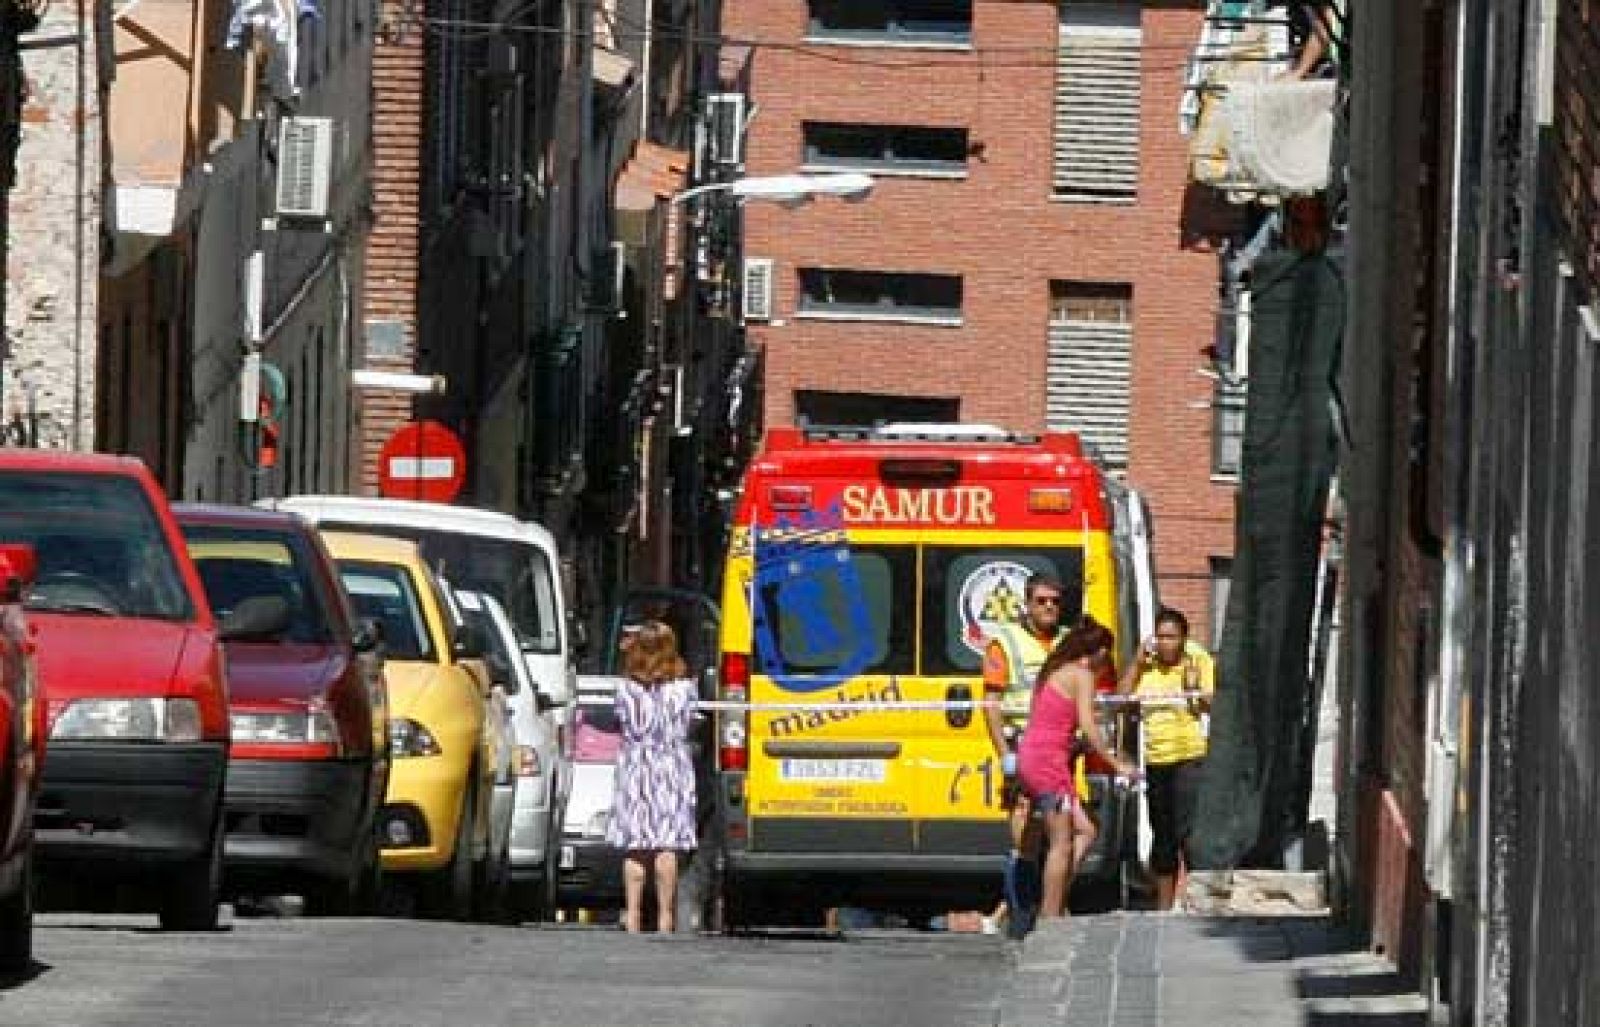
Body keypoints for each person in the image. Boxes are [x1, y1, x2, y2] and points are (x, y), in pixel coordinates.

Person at [1017, 615, 1138, 920]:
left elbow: (1055, 724)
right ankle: (1049, 916)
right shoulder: (1081, 675)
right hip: (1048, 764)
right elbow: (1089, 725)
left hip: (1037, 758)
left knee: (1086, 829)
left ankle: (1055, 898)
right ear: (1098, 652)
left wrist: (1077, 745)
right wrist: (1115, 763)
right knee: (1061, 844)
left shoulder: (1054, 671)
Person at [980, 573, 1070, 936]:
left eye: (1055, 601)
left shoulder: (1066, 642)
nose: (1049, 607)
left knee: (1065, 832)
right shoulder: (1004, 643)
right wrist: (1005, 755)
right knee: (1025, 834)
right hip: (1022, 744)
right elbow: (991, 702)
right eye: (1041, 601)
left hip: (1058, 750)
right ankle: (1021, 918)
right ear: (1027, 604)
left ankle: (1047, 911)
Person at [1118, 606, 1216, 911]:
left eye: (1171, 637)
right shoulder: (1147, 666)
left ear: (1184, 639)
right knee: (1163, 832)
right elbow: (1121, 699)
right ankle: (1163, 906)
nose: (1165, 643)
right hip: (1157, 758)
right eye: (1160, 637)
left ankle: (1196, 900)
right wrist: (1136, 662)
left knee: (1187, 830)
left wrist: (1193, 689)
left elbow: (1212, 703)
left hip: (1189, 755)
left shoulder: (1197, 659)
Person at [606, 620, 701, 933]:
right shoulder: (684, 690)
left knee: (636, 848)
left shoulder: (625, 690)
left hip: (636, 767)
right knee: (667, 845)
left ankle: (632, 914)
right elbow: (691, 721)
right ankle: (665, 916)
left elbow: (620, 721)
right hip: (672, 767)